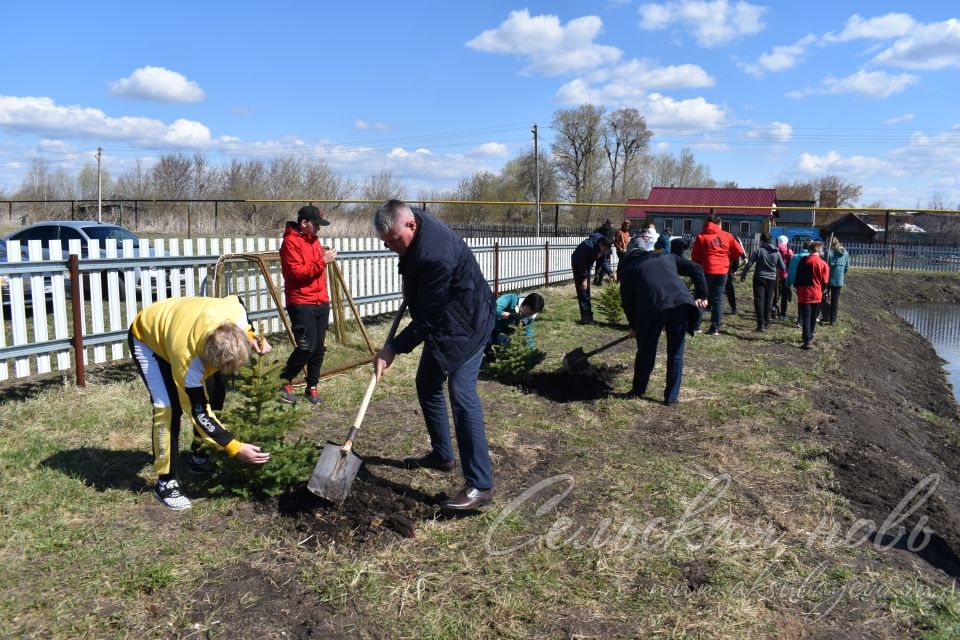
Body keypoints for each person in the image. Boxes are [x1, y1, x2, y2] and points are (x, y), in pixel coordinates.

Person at [372, 200, 496, 511]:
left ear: (410, 225)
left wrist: (393, 348)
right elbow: (424, 293)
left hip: (468, 321)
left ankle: (480, 485)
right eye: (385, 242)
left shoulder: (435, 255)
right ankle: (442, 455)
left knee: (461, 392)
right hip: (447, 317)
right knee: (427, 381)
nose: (390, 247)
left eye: (393, 241)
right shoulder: (414, 225)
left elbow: (428, 319)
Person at [128, 296, 272, 510]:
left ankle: (200, 456)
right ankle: (165, 482)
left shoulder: (234, 312)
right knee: (168, 408)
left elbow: (239, 301)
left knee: (216, 393)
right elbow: (198, 411)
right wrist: (234, 447)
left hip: (181, 321)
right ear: (207, 357)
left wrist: (250, 336)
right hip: (147, 335)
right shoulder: (187, 360)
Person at [619, 235, 708, 405]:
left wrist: (634, 326)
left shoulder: (628, 271)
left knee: (646, 352)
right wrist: (702, 294)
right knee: (676, 353)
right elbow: (696, 268)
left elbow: (628, 303)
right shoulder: (667, 257)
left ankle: (638, 390)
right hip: (681, 304)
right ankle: (671, 398)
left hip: (653, 309)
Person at [278, 205, 337, 405]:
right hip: (301, 301)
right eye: (316, 224)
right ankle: (285, 380)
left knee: (319, 348)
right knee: (306, 347)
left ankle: (312, 385)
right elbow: (296, 274)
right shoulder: (289, 243)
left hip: (320, 300)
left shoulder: (314, 241)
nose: (319, 229)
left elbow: (314, 270)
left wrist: (322, 261)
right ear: (304, 223)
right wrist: (323, 261)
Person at [690, 214, 744, 335]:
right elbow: (739, 251)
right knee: (718, 299)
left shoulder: (701, 236)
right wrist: (728, 258)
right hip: (722, 271)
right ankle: (715, 328)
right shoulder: (727, 235)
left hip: (706, 270)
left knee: (701, 296)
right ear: (719, 224)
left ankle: (696, 326)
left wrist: (701, 264)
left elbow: (694, 256)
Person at [740, 233, 786, 332]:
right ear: (771, 241)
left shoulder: (758, 251)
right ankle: (766, 322)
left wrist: (743, 274)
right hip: (772, 279)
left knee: (759, 300)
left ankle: (760, 324)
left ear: (761, 240)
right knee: (768, 301)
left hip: (759, 278)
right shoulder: (777, 252)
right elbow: (783, 267)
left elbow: (749, 264)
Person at [571, 232, 613, 325]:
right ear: (601, 244)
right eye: (604, 249)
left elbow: (604, 261)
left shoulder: (604, 247)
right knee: (582, 289)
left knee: (587, 290)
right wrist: (584, 278)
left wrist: (610, 272)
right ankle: (585, 318)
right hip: (578, 263)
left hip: (586, 265)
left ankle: (589, 316)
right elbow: (582, 263)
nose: (604, 251)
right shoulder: (588, 246)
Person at [794, 241, 830, 349]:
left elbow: (797, 276)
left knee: (805, 316)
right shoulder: (822, 263)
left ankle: (806, 340)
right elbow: (825, 281)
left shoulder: (802, 260)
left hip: (803, 292)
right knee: (814, 316)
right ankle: (811, 335)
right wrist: (824, 290)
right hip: (816, 292)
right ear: (819, 250)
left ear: (810, 249)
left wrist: (796, 287)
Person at [824, 237, 850, 325]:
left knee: (824, 298)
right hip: (839, 280)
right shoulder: (845, 253)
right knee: (835, 301)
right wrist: (841, 275)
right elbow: (847, 267)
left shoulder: (828, 253)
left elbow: (824, 266)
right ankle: (833, 320)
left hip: (827, 280)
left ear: (830, 243)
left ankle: (825, 317)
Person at [774, 235, 794, 320]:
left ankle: (773, 310)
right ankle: (782, 314)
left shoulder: (775, 250)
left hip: (776, 275)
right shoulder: (790, 252)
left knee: (775, 295)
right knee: (784, 296)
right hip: (786, 277)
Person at [593, 219, 615, 285]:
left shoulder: (599, 229)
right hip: (606, 248)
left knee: (598, 263)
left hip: (597, 248)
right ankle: (600, 280)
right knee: (604, 263)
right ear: (610, 223)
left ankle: (596, 275)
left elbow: (594, 234)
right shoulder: (611, 230)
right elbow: (611, 240)